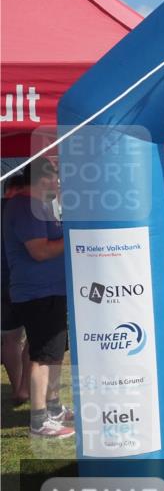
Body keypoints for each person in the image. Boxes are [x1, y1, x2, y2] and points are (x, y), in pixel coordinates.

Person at [2, 159, 74, 438]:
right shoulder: (24, 208)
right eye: (54, 178)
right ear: (41, 180)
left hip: (51, 292)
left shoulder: (39, 206)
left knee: (53, 354)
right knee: (42, 356)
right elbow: (40, 251)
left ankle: (53, 408)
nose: (57, 183)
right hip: (38, 293)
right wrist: (71, 235)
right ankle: (39, 419)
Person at [1, 172, 31, 405]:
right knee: (36, 337)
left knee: (10, 338)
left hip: (4, 282)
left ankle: (18, 387)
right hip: (25, 281)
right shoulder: (26, 210)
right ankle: (25, 387)